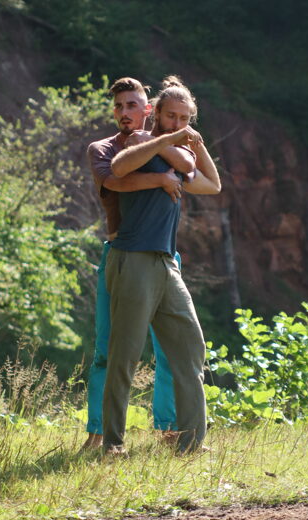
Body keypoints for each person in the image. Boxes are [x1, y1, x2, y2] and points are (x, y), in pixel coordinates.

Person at [103, 76, 221, 455]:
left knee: (190, 349)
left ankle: (192, 443)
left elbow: (212, 185)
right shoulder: (140, 140)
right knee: (125, 355)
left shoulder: (178, 150)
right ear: (156, 113)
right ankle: (113, 443)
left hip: (167, 263)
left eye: (185, 119)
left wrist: (196, 144)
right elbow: (119, 167)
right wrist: (170, 143)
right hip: (133, 258)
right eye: (171, 116)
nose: (177, 123)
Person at [84, 77, 195, 449]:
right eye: (119, 106)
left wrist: (175, 146)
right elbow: (116, 182)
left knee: (173, 352)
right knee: (109, 351)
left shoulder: (165, 143)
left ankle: (171, 431)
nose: (124, 112)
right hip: (122, 254)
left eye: (132, 105)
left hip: (164, 255)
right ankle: (100, 434)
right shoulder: (103, 148)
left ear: (149, 110)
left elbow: (195, 173)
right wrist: (160, 178)